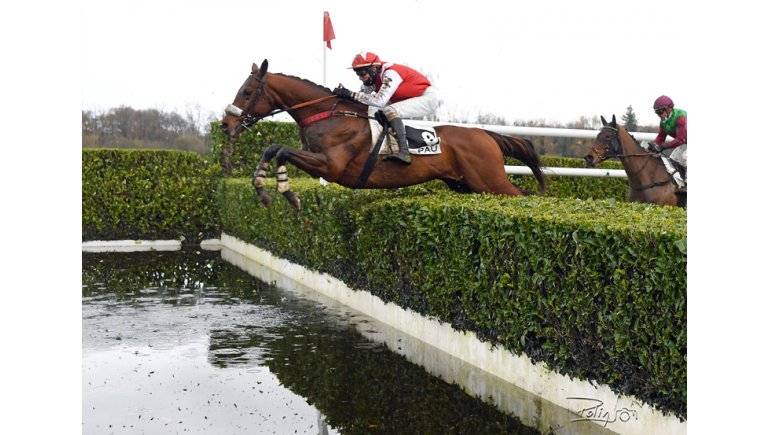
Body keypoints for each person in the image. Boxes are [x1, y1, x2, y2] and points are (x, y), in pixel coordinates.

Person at [333, 51, 440, 165]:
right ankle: (388, 146)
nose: (360, 77)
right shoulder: (373, 78)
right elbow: (361, 99)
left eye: (362, 73)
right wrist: (342, 97)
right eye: (357, 73)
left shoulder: (390, 73)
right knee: (373, 109)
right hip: (409, 98)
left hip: (426, 98)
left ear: (373, 68)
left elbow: (379, 100)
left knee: (390, 110)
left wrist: (351, 94)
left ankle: (404, 152)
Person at [650, 95, 687, 190]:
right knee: (673, 159)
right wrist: (655, 146)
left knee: (685, 157)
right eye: (656, 112)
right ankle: (681, 185)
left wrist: (662, 147)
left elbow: (681, 139)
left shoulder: (680, 117)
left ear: (668, 109)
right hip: (686, 142)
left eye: (660, 112)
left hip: (684, 140)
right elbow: (661, 136)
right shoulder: (663, 121)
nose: (658, 115)